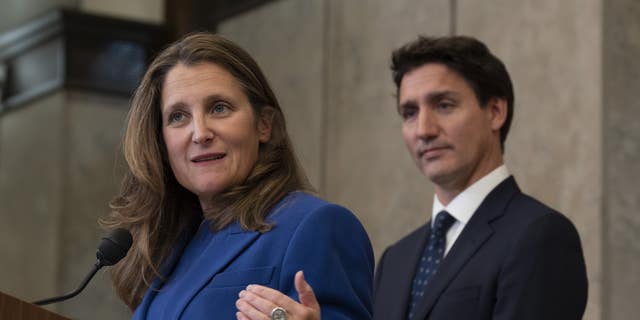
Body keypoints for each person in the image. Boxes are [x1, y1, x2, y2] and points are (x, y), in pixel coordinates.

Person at [236, 35, 588, 320]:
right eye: (409, 112)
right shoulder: (395, 259)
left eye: (444, 105)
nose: (423, 129)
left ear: (495, 111)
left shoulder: (540, 236)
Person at [100, 32, 374, 320]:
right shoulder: (172, 247)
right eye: (178, 116)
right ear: (161, 141)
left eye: (219, 108)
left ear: (264, 125)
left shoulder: (318, 225)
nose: (200, 133)